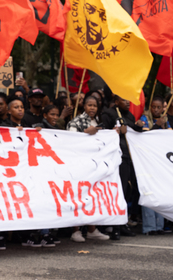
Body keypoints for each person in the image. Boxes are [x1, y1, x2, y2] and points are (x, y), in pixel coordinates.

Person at [66, 95, 110, 243]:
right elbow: (69, 141)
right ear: (83, 106)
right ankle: (76, 231)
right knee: (78, 196)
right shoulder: (76, 121)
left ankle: (92, 229)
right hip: (79, 165)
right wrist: (85, 133)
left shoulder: (98, 122)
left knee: (92, 196)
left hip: (94, 165)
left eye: (95, 105)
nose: (92, 108)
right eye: (89, 105)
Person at [102, 92, 142, 239]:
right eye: (124, 99)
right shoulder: (109, 114)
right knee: (119, 191)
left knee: (128, 191)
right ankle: (113, 226)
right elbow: (103, 133)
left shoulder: (129, 115)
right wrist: (118, 132)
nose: (128, 102)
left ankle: (122, 223)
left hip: (130, 157)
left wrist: (137, 127)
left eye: (129, 99)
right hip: (117, 157)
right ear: (116, 101)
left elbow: (131, 131)